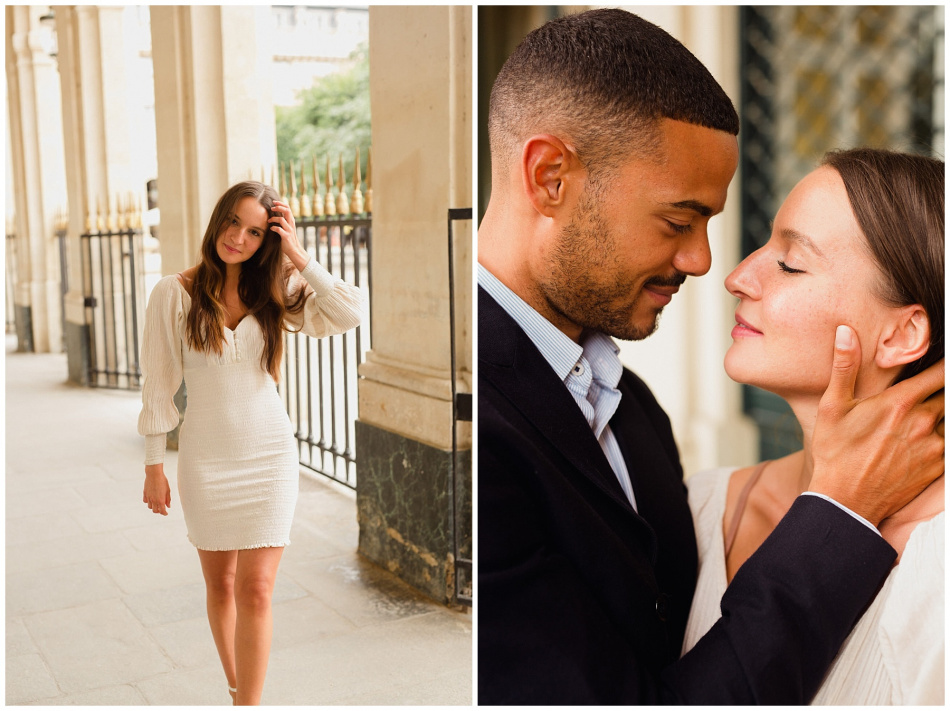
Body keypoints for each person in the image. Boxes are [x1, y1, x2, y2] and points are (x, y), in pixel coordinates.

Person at [477, 9, 944, 704]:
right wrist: (839, 510)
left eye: (789, 260)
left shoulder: (636, 417)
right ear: (550, 177)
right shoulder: (478, 436)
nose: (710, 265)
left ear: (904, 331)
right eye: (677, 220)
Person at [682, 148, 944, 704]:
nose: (736, 277)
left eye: (791, 263)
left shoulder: (938, 568)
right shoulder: (702, 509)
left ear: (901, 335)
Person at [138, 181, 362, 705]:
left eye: (256, 231)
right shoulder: (174, 293)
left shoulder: (276, 291)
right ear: (217, 220)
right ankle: (236, 685)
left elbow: (348, 314)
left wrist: (299, 257)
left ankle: (248, 704)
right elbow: (158, 382)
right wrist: (154, 464)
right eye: (233, 223)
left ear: (269, 239)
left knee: (256, 589)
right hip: (206, 459)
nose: (239, 238)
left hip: (269, 455)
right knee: (221, 587)